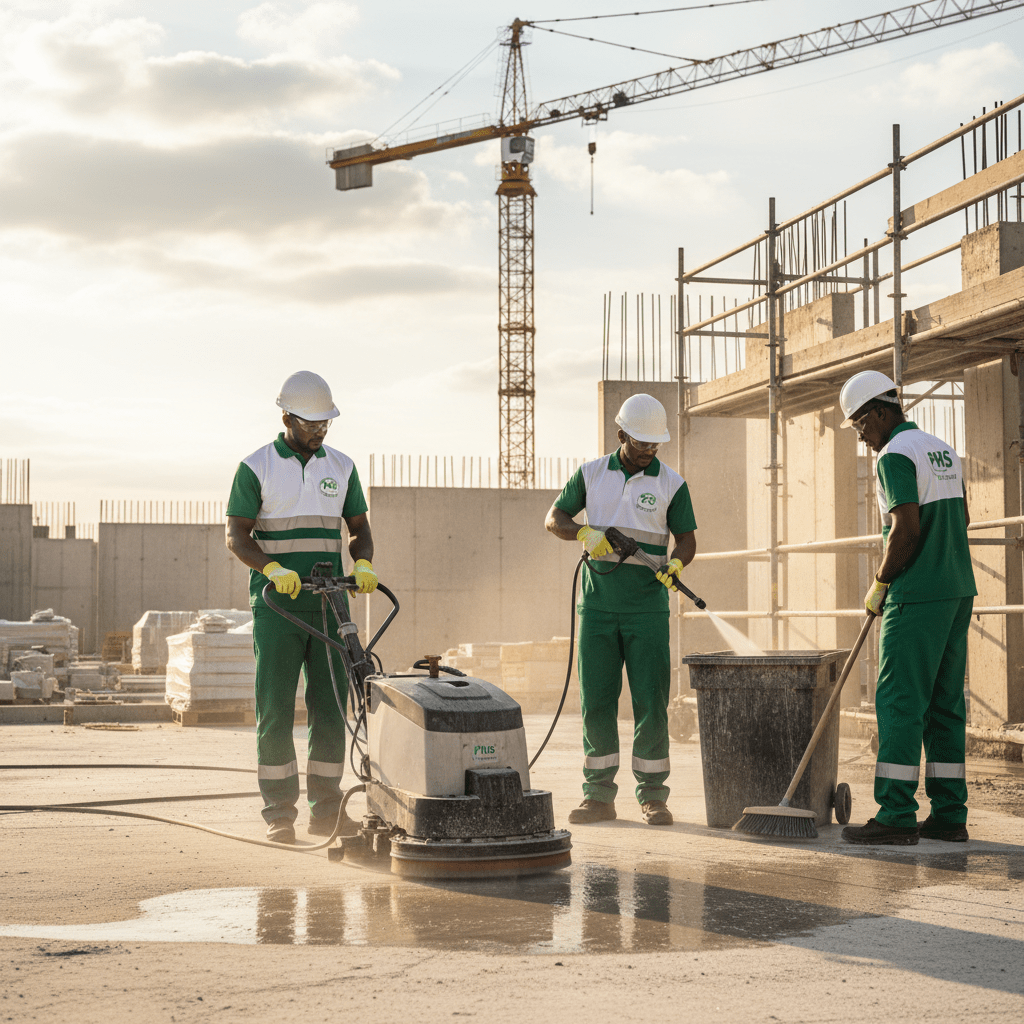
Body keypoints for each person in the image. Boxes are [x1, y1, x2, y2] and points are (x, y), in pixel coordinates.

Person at [225, 370, 377, 845]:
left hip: (330, 601)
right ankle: (279, 812)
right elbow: (237, 535)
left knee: (331, 708)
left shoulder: (343, 467)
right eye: (311, 422)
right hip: (278, 604)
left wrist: (365, 561)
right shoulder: (257, 467)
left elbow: (358, 527)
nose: (320, 430)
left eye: (325, 422)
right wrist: (270, 568)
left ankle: (327, 810)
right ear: (286, 416)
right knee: (274, 707)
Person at [544, 393, 697, 826]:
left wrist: (676, 563)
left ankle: (653, 795)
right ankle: (598, 796)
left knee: (651, 700)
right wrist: (584, 534)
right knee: (596, 701)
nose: (649, 450)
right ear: (621, 434)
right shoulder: (591, 474)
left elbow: (686, 537)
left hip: (647, 609)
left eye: (654, 444)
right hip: (596, 608)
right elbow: (554, 518)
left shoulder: (671, 483)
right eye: (641, 443)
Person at [838, 370, 976, 845]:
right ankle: (949, 813)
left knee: (899, 702)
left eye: (859, 423)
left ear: (880, 410)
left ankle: (895, 814)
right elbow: (964, 517)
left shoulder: (894, 455)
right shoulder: (942, 449)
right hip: (957, 589)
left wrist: (880, 582)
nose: (860, 434)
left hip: (916, 594)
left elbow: (906, 529)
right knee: (944, 704)